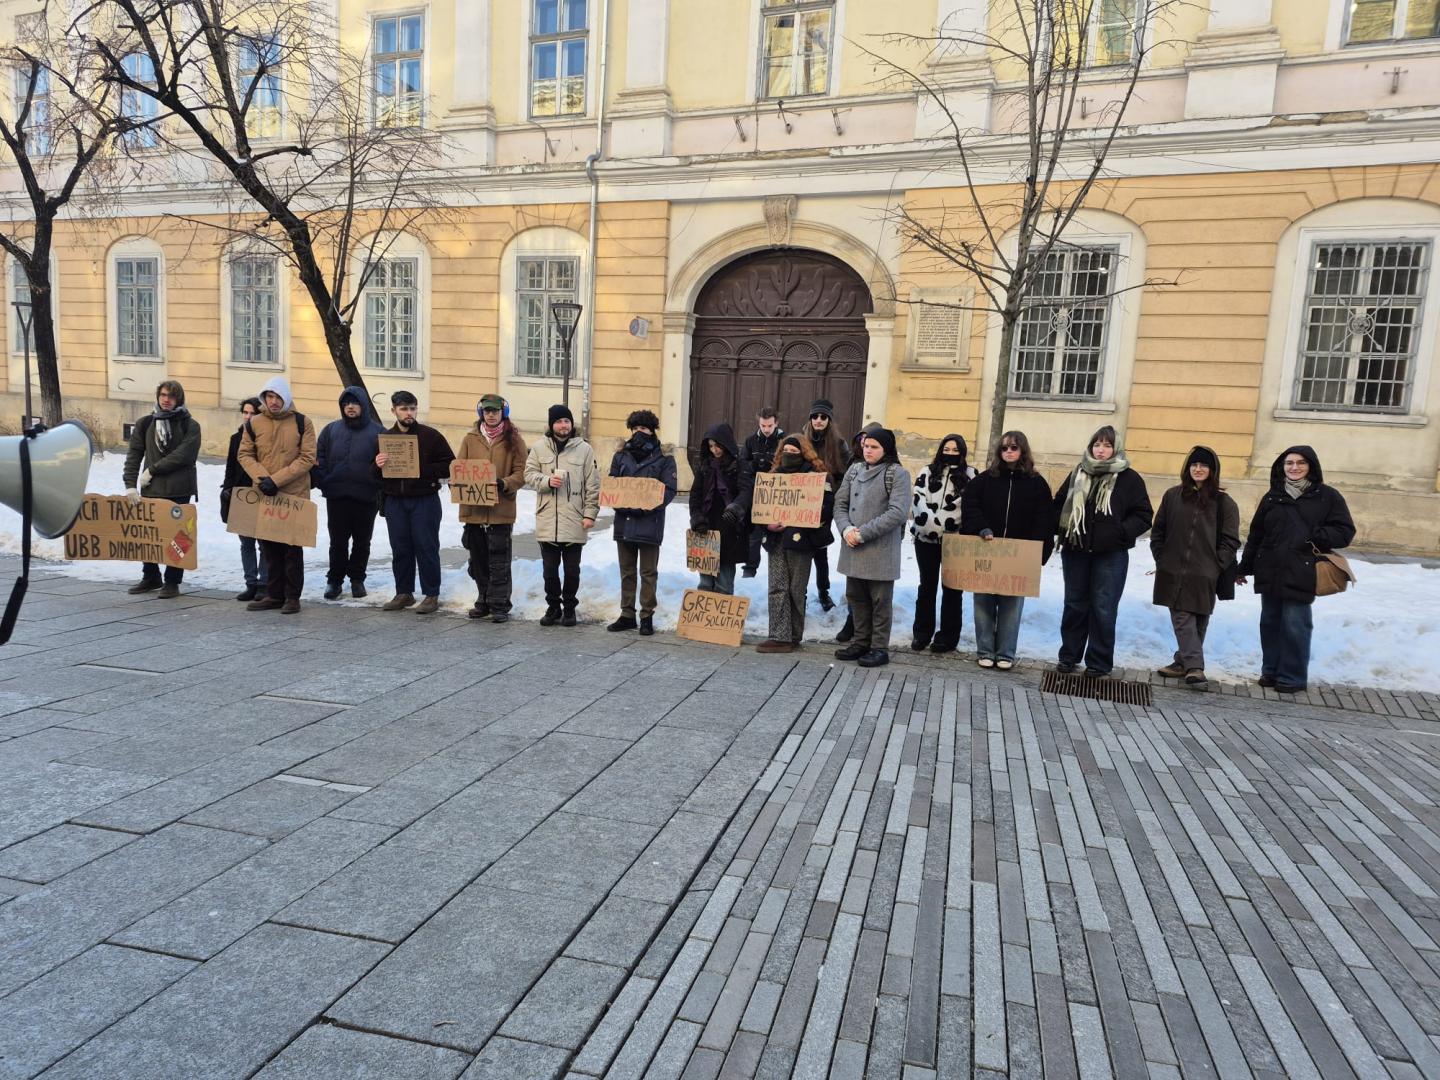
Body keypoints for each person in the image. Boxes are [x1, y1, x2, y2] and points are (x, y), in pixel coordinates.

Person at [1236, 445, 1354, 694]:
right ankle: (1270, 671)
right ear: (1282, 466)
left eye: (1300, 463)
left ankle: (1292, 676)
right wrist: (1243, 568)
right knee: (1270, 622)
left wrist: (1317, 535)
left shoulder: (1327, 496)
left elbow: (1345, 531)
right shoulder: (1272, 496)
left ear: (1311, 466)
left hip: (1303, 569)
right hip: (1270, 567)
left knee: (1295, 624)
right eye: (1289, 463)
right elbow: (1257, 534)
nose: (1294, 467)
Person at [1052, 425, 1153, 677]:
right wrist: (1064, 528)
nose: (1101, 450)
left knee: (1104, 607)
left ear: (1115, 448)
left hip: (1111, 554)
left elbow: (1143, 515)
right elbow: (1059, 504)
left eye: (1107, 445)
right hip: (1076, 551)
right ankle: (1069, 656)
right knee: (1075, 604)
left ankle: (1098, 662)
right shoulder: (1078, 473)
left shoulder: (1129, 478)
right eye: (1097, 445)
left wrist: (1119, 533)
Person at [960, 431, 1054, 670]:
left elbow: (1044, 519)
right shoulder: (984, 480)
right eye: (1004, 448)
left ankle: (1005, 653)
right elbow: (971, 505)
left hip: (1018, 554)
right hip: (987, 549)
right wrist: (981, 527)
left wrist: (1035, 552)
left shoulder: (1037, 483)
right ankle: (985, 650)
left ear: (1022, 451)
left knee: (1011, 606)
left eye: (1014, 448)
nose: (1009, 452)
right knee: (983, 602)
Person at [1150, 446, 1241, 691]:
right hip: (1172, 569)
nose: (1198, 469)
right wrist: (1162, 558)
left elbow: (1231, 540)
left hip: (1205, 572)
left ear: (1212, 470)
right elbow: (1158, 531)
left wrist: (1216, 565)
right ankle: (1195, 668)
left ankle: (1183, 663)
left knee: (1198, 619)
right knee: (1182, 617)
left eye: (1203, 465)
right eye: (1194, 465)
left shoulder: (1224, 503)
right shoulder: (1172, 496)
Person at [833, 427, 911, 668]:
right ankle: (860, 641)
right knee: (856, 597)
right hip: (852, 544)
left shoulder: (897, 474)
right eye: (866, 445)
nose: (868, 450)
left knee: (879, 601)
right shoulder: (854, 469)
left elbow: (897, 512)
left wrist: (863, 533)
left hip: (879, 549)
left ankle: (879, 647)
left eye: (874, 447)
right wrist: (846, 530)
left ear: (886, 449)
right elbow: (840, 503)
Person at [238, 376, 317, 614]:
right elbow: (245, 454)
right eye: (269, 397)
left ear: (286, 398)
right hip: (265, 493)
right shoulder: (254, 423)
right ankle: (274, 594)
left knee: (292, 549)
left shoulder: (303, 422)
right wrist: (263, 478)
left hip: (293, 494)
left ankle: (292, 597)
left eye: (277, 397)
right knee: (269, 547)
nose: (273, 402)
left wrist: (277, 480)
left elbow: (307, 458)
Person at [375, 390, 455, 615]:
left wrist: (420, 468)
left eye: (412, 408)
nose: (408, 413)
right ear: (394, 411)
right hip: (396, 501)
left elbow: (450, 464)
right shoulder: (385, 438)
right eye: (403, 409)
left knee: (426, 546)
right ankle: (404, 592)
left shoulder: (431, 436)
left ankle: (431, 594)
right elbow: (373, 474)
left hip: (424, 500)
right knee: (400, 548)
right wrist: (377, 464)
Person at [122, 379, 200, 598]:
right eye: (163, 395)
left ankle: (173, 581)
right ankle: (151, 576)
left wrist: (153, 469)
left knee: (179, 537)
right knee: (150, 535)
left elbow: (184, 455)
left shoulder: (189, 425)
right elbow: (134, 455)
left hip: (179, 490)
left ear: (179, 399)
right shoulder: (146, 423)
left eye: (171, 396)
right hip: (152, 490)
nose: (166, 400)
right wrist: (130, 485)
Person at [525, 404, 601, 626]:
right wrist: (546, 481)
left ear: (571, 424)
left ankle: (569, 608)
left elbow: (593, 484)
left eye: (566, 421)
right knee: (549, 570)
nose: (563, 425)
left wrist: (590, 514)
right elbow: (528, 475)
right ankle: (553, 607)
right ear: (552, 425)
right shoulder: (539, 448)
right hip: (547, 518)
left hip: (575, 519)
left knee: (571, 571)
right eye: (559, 421)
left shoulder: (584, 449)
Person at [756, 435, 833, 654]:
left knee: (796, 589)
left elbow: (827, 507)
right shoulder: (773, 476)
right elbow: (761, 507)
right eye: (786, 450)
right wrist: (767, 525)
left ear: (804, 453)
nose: (790, 454)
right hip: (776, 540)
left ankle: (793, 635)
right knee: (777, 587)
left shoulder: (816, 476)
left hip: (802, 541)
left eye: (795, 451)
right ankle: (779, 636)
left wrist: (799, 518)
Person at [456, 394, 527, 623]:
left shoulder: (514, 440)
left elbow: (521, 472)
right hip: (475, 510)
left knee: (499, 561)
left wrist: (505, 483)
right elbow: (460, 468)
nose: (491, 414)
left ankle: (499, 604)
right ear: (481, 413)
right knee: (478, 560)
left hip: (500, 510)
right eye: (487, 411)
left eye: (495, 411)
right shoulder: (470, 439)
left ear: (503, 412)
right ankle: (483, 600)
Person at [608, 409, 677, 636]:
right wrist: (623, 505)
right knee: (626, 571)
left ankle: (647, 616)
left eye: (644, 429)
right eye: (636, 429)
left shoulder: (665, 458)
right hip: (625, 521)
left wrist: (645, 505)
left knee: (648, 572)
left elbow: (669, 490)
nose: (639, 433)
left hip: (650, 522)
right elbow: (612, 486)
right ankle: (627, 614)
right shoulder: (620, 456)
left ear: (652, 430)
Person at [313, 386, 383, 601]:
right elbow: (320, 455)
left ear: (363, 405)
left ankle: (357, 579)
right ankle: (334, 581)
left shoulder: (378, 432)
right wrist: (325, 479)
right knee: (338, 542)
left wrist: (375, 475)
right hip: (337, 495)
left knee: (363, 541)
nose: (350, 407)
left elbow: (388, 462)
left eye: (354, 403)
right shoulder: (331, 430)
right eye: (346, 404)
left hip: (366, 495)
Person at [909, 433, 975, 653]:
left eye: (955, 450)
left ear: (962, 452)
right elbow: (918, 500)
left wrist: (940, 526)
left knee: (953, 590)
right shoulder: (927, 472)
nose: (950, 454)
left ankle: (948, 637)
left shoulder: (971, 475)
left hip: (955, 542)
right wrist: (932, 527)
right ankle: (921, 633)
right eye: (947, 449)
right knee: (926, 587)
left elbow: (964, 505)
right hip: (925, 540)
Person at [689, 422, 752, 595]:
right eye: (710, 446)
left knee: (724, 583)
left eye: (717, 445)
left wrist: (735, 509)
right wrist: (696, 518)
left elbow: (746, 491)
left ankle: (721, 622)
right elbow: (695, 495)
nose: (714, 450)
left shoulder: (740, 465)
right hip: (706, 529)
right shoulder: (704, 466)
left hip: (730, 528)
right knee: (705, 584)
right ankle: (703, 621)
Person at [802, 399, 850, 611]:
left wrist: (832, 489)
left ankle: (823, 591)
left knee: (820, 550)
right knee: (800, 549)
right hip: (802, 503)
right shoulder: (801, 441)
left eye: (823, 417)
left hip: (826, 502)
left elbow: (846, 474)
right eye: (815, 416)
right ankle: (799, 592)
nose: (819, 420)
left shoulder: (838, 444)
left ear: (829, 420)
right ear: (810, 419)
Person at [222, 397, 266, 601]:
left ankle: (264, 583)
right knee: (246, 542)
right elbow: (230, 467)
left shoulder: (266, 437)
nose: (248, 417)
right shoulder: (236, 438)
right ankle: (251, 583)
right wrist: (228, 490)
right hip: (242, 496)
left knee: (265, 541)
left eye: (253, 413)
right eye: (245, 413)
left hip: (263, 493)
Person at [741, 408, 784, 577]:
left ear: (776, 423)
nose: (766, 429)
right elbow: (743, 464)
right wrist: (755, 465)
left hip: (778, 494)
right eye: (763, 425)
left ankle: (777, 573)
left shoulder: (785, 440)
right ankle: (750, 570)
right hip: (756, 493)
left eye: (770, 425)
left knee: (776, 533)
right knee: (754, 533)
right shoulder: (751, 441)